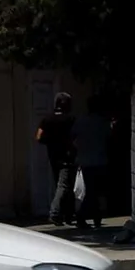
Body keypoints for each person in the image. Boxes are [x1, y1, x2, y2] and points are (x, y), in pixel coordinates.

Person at [71, 95, 111, 229]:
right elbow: (109, 138)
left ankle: (89, 216)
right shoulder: (102, 122)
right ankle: (90, 216)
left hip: (86, 161)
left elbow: (72, 138)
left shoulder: (81, 121)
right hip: (100, 160)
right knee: (97, 191)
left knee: (90, 190)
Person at [36, 92, 76, 225]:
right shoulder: (70, 119)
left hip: (53, 156)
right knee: (64, 185)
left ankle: (68, 214)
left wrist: (51, 141)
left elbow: (39, 137)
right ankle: (55, 213)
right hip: (68, 156)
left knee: (63, 185)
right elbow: (76, 137)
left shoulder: (47, 119)